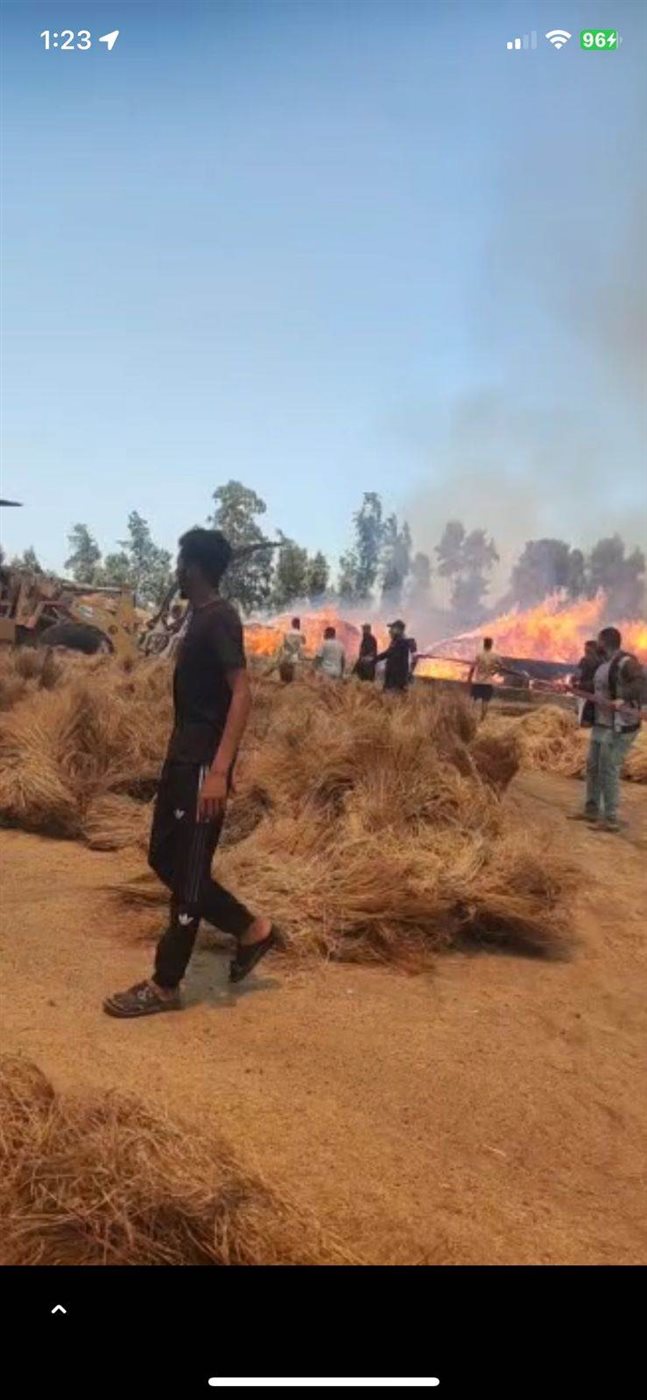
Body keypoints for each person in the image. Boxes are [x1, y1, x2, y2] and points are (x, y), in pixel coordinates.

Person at [104, 528, 279, 1018]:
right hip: (182, 760)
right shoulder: (198, 617)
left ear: (194, 567)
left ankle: (165, 984)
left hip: (203, 765)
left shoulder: (221, 618)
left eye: (181, 563)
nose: (176, 571)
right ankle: (251, 929)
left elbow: (242, 692)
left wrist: (219, 770)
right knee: (166, 858)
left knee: (191, 875)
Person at [571, 626, 644, 833]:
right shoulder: (603, 665)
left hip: (620, 726)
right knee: (593, 767)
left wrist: (623, 697)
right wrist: (575, 687)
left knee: (608, 769)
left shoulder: (626, 662)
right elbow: (597, 689)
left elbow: (641, 684)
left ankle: (611, 819)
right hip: (601, 725)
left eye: (599, 641)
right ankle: (591, 810)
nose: (597, 645)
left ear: (606, 642)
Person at [467, 637, 503, 721]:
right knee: (485, 702)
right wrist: (494, 672)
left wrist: (469, 679)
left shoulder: (479, 655)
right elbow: (501, 666)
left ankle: (469, 716)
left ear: (484, 644)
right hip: (488, 683)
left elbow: (472, 667)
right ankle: (482, 720)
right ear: (491, 645)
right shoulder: (495, 656)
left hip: (478, 682)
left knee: (473, 700)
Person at [572, 640, 602, 727]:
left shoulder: (600, 664)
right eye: (585, 651)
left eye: (589, 651)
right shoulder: (584, 660)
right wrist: (575, 679)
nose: (586, 653)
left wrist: (580, 685)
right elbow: (578, 674)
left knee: (586, 719)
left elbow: (598, 683)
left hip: (591, 696)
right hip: (583, 693)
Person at [375, 620, 412, 693]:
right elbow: (387, 653)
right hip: (391, 679)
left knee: (392, 697)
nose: (390, 631)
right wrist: (374, 659)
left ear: (399, 630)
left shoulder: (402, 642)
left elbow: (394, 660)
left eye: (392, 628)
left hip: (396, 681)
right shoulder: (395, 641)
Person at [268, 616, 306, 683]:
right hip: (294, 656)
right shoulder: (301, 634)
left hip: (285, 655)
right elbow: (304, 642)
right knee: (293, 670)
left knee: (282, 668)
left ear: (292, 624)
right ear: (298, 624)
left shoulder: (287, 632)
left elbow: (284, 643)